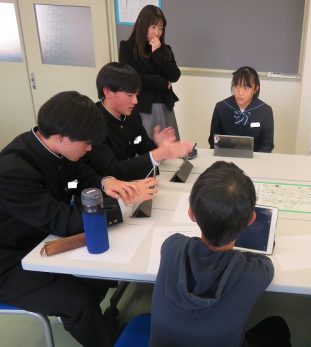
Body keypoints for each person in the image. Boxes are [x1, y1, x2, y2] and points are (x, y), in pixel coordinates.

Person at [0, 91, 157, 347]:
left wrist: (109, 182)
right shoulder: (13, 170)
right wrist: (126, 204)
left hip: (43, 239)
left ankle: (98, 324)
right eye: (85, 143)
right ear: (61, 136)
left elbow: (82, 176)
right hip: (10, 260)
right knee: (77, 302)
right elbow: (64, 222)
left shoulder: (56, 149)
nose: (89, 149)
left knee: (100, 276)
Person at [150, 161, 290, 347]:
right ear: (251, 219)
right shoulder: (254, 273)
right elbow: (265, 263)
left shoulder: (171, 246)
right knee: (277, 326)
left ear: (191, 214)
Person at [85, 62, 192, 180]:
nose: (135, 101)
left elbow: (141, 145)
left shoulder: (131, 114)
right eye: (130, 95)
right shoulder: (92, 121)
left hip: (132, 182)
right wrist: (158, 154)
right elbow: (112, 170)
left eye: (136, 95)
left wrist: (159, 145)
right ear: (107, 92)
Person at [119, 5, 181, 140]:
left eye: (161, 28)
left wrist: (157, 53)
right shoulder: (127, 47)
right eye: (153, 27)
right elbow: (133, 79)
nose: (157, 32)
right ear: (142, 25)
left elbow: (175, 75)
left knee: (171, 154)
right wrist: (163, 82)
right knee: (147, 150)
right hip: (143, 107)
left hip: (166, 106)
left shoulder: (165, 50)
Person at [208, 66, 274, 153]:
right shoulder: (221, 107)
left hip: (255, 160)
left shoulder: (265, 110)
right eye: (236, 86)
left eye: (246, 88)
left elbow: (268, 144)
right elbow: (213, 140)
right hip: (226, 157)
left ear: (255, 89)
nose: (240, 92)